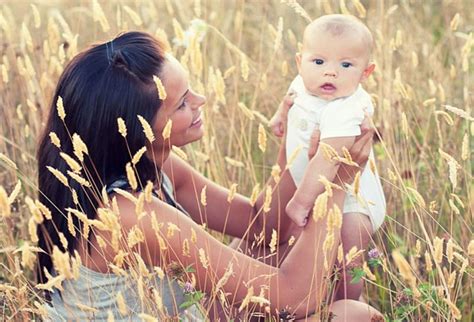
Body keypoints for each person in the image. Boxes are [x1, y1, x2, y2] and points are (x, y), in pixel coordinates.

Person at [35, 31, 382, 320]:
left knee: (277, 245)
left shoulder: (151, 165)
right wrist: (336, 179)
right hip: (187, 311)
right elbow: (297, 297)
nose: (201, 100)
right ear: (138, 130)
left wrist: (295, 138)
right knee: (354, 316)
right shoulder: (127, 215)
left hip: (182, 310)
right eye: (183, 103)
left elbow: (263, 226)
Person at [269, 14, 386, 301]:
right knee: (316, 250)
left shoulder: (346, 108)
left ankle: (347, 300)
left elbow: (329, 158)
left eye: (346, 65)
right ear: (300, 62)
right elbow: (290, 97)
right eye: (319, 62)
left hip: (352, 200)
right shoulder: (303, 82)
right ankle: (314, 295)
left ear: (365, 72)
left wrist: (300, 203)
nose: (330, 72)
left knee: (349, 253)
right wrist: (280, 116)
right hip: (315, 190)